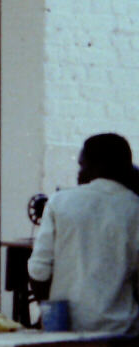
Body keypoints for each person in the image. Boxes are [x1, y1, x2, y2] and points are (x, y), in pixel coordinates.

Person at [28, 134, 139, 335]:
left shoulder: (59, 203)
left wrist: (52, 314)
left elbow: (39, 271)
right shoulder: (134, 208)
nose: (79, 174)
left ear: (98, 166)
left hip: (69, 332)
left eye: (82, 166)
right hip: (123, 333)